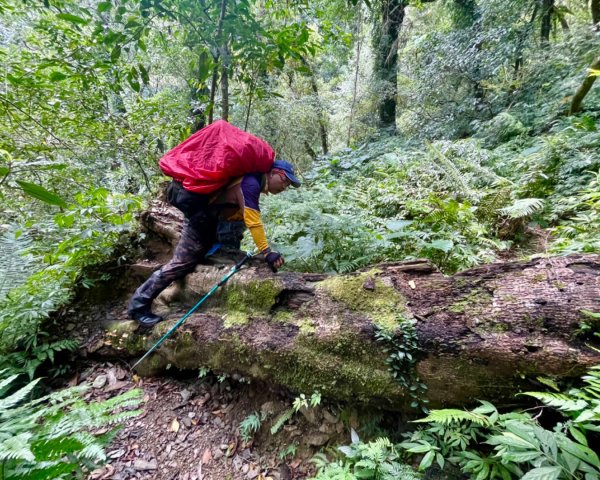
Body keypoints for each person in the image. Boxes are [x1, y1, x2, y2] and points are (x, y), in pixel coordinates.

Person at [127, 124, 300, 328]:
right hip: (201, 214)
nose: (285, 187)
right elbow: (253, 220)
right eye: (285, 181)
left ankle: (204, 258)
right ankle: (138, 305)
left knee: (204, 252)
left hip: (205, 213)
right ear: (275, 173)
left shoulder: (249, 181)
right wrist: (267, 252)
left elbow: (235, 214)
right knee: (183, 262)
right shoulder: (251, 184)